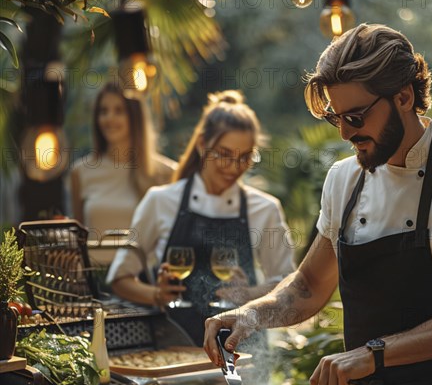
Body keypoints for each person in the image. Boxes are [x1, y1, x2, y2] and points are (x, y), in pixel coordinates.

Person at [204, 24, 432, 385]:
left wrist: (372, 355)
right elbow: (310, 285)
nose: (344, 132)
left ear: (404, 97)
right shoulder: (344, 179)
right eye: (336, 117)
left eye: (355, 117)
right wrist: (252, 315)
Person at [108, 90, 296, 345]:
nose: (233, 167)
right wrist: (157, 294)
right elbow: (120, 277)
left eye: (245, 157)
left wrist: (249, 293)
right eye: (224, 155)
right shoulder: (160, 201)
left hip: (243, 350)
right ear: (201, 145)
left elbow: (288, 285)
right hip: (174, 348)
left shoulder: (265, 208)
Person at [70, 82, 176, 262]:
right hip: (93, 283)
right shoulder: (80, 172)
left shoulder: (166, 173)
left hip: (145, 284)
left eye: (119, 111)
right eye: (103, 111)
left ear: (135, 117)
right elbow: (78, 239)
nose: (109, 118)